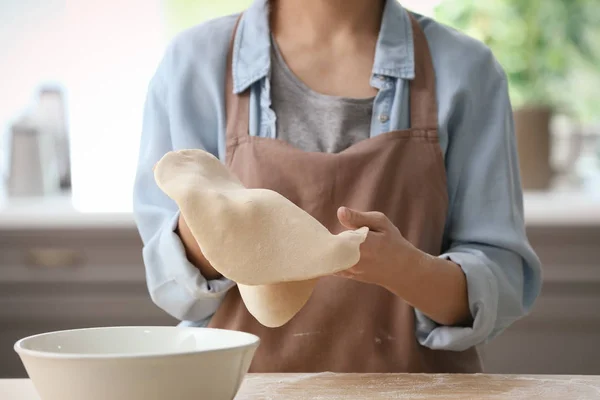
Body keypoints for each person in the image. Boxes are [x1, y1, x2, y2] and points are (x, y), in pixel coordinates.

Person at [133, 0, 542, 373]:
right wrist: (214, 234)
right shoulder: (193, 64)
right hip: (239, 387)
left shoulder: (466, 70)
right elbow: (172, 289)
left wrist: (407, 270)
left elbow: (499, 285)